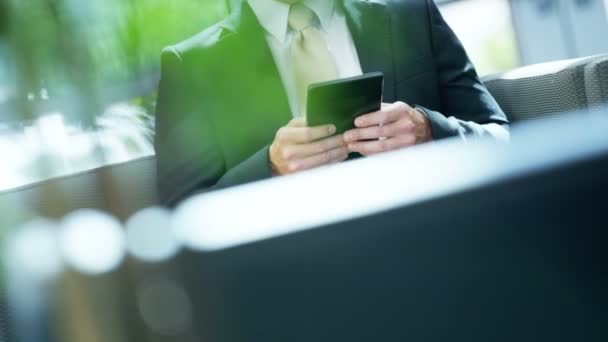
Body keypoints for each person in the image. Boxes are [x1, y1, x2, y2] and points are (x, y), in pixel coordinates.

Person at [155, 0, 509, 207]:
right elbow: (182, 219)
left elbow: (501, 140)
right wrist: (269, 169)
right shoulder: (191, 67)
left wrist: (430, 130)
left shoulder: (409, 12)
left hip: (432, 247)